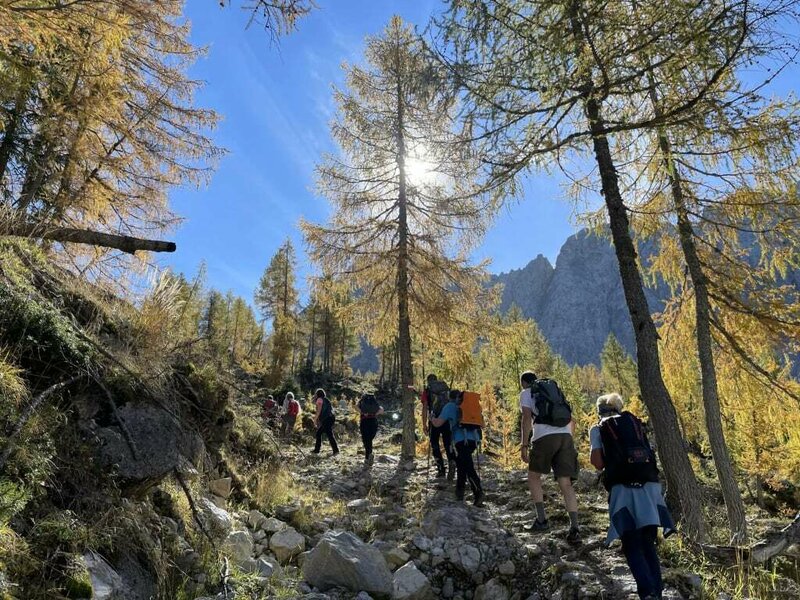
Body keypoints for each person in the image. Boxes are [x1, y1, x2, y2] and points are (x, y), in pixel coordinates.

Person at [590, 393, 675, 600]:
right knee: (648, 541)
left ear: (599, 410)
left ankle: (647, 594)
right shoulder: (634, 424)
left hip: (623, 490)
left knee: (631, 542)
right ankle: (657, 592)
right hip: (650, 488)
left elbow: (598, 463)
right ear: (619, 408)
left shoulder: (598, 427)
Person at [519, 370, 581, 542]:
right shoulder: (554, 393)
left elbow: (526, 419)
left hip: (544, 436)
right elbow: (572, 420)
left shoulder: (526, 392)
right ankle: (575, 528)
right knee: (566, 483)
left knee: (533, 477)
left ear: (524, 382)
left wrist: (524, 445)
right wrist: (568, 440)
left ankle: (541, 520)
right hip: (566, 436)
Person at [430, 390, 483, 506]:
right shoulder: (468, 406)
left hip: (460, 440)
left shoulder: (450, 406)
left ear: (450, 397)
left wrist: (432, 417)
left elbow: (438, 423)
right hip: (474, 439)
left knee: (468, 467)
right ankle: (459, 493)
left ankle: (478, 493)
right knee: (461, 464)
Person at [421, 374, 456, 479]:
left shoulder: (427, 391)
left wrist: (424, 424)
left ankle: (441, 470)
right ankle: (451, 461)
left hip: (434, 419)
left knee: (434, 443)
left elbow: (424, 408)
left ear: (428, 381)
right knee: (447, 443)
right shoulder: (445, 388)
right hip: (446, 418)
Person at [357, 393, 384, 465]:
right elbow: (381, 410)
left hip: (364, 421)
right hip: (373, 421)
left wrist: (363, 412)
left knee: (365, 439)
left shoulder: (362, 401)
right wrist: (375, 414)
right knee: (370, 439)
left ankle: (368, 456)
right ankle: (369, 455)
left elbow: (356, 407)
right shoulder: (374, 401)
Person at [312, 388, 339, 455]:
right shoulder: (326, 400)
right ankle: (317, 450)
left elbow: (319, 410)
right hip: (331, 418)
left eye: (316, 394)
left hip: (327, 419)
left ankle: (335, 450)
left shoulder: (319, 399)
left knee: (328, 434)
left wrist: (315, 419)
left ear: (318, 394)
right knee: (321, 433)